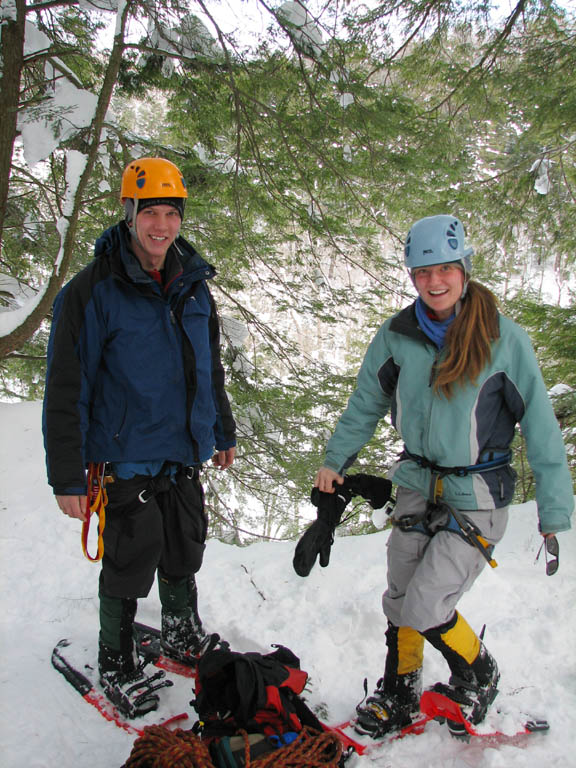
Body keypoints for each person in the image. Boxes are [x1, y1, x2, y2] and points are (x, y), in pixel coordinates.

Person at [314, 214, 573, 737]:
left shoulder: (504, 340)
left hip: (477, 495)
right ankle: (400, 691)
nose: (435, 281)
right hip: (416, 483)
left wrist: (554, 512)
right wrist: (333, 459)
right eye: (422, 271)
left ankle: (479, 672)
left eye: (446, 269)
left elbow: (541, 430)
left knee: (429, 602)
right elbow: (365, 403)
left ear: (465, 269)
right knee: (399, 594)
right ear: (411, 276)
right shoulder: (397, 335)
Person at [43, 157, 237, 717]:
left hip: (183, 452)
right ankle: (115, 657)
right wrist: (67, 472)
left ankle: (180, 631)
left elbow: (209, 368)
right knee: (131, 558)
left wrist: (220, 428)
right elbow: (66, 386)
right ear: (129, 213)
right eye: (149, 211)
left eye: (170, 213)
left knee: (184, 544)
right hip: (124, 456)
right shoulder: (92, 291)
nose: (161, 225)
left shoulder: (195, 284)